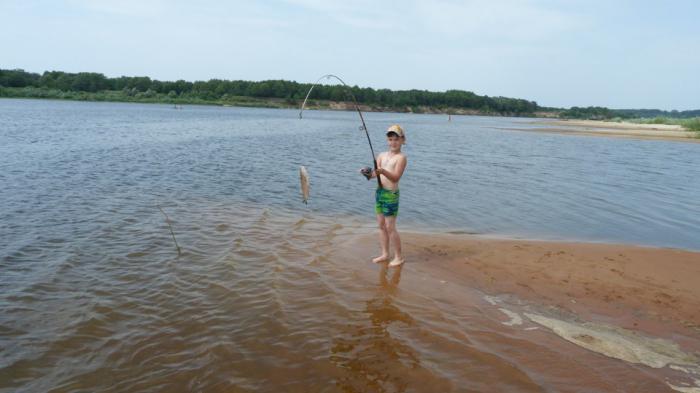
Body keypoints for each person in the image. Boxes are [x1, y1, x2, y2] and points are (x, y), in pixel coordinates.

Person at [363, 124, 408, 267]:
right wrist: (367, 173)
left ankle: (399, 257)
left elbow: (395, 178)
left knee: (390, 227)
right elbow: (374, 175)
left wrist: (382, 172)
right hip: (380, 192)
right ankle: (385, 254)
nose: (393, 142)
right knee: (381, 225)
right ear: (387, 140)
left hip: (391, 195)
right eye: (390, 139)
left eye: (396, 139)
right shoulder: (381, 155)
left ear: (402, 140)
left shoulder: (401, 158)